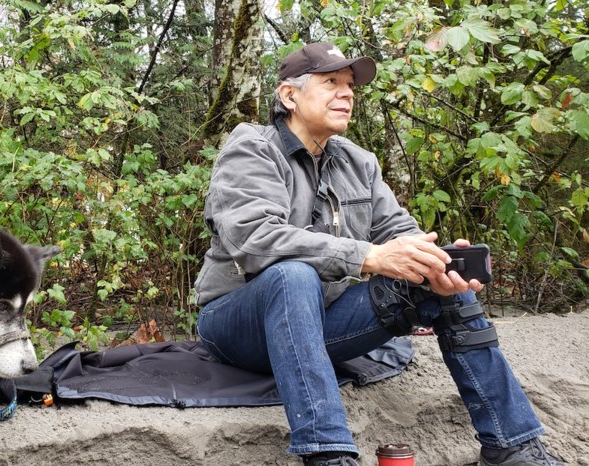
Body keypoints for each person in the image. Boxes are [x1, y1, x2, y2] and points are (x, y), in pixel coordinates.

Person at [193, 42, 566, 466]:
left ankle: (513, 446)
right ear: (288, 95)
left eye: (350, 85)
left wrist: (434, 260)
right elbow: (255, 237)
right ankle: (329, 454)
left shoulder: (359, 162)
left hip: (319, 323)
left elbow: (398, 233)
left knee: (436, 277)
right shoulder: (252, 148)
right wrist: (368, 257)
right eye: (331, 81)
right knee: (293, 275)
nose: (347, 93)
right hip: (237, 325)